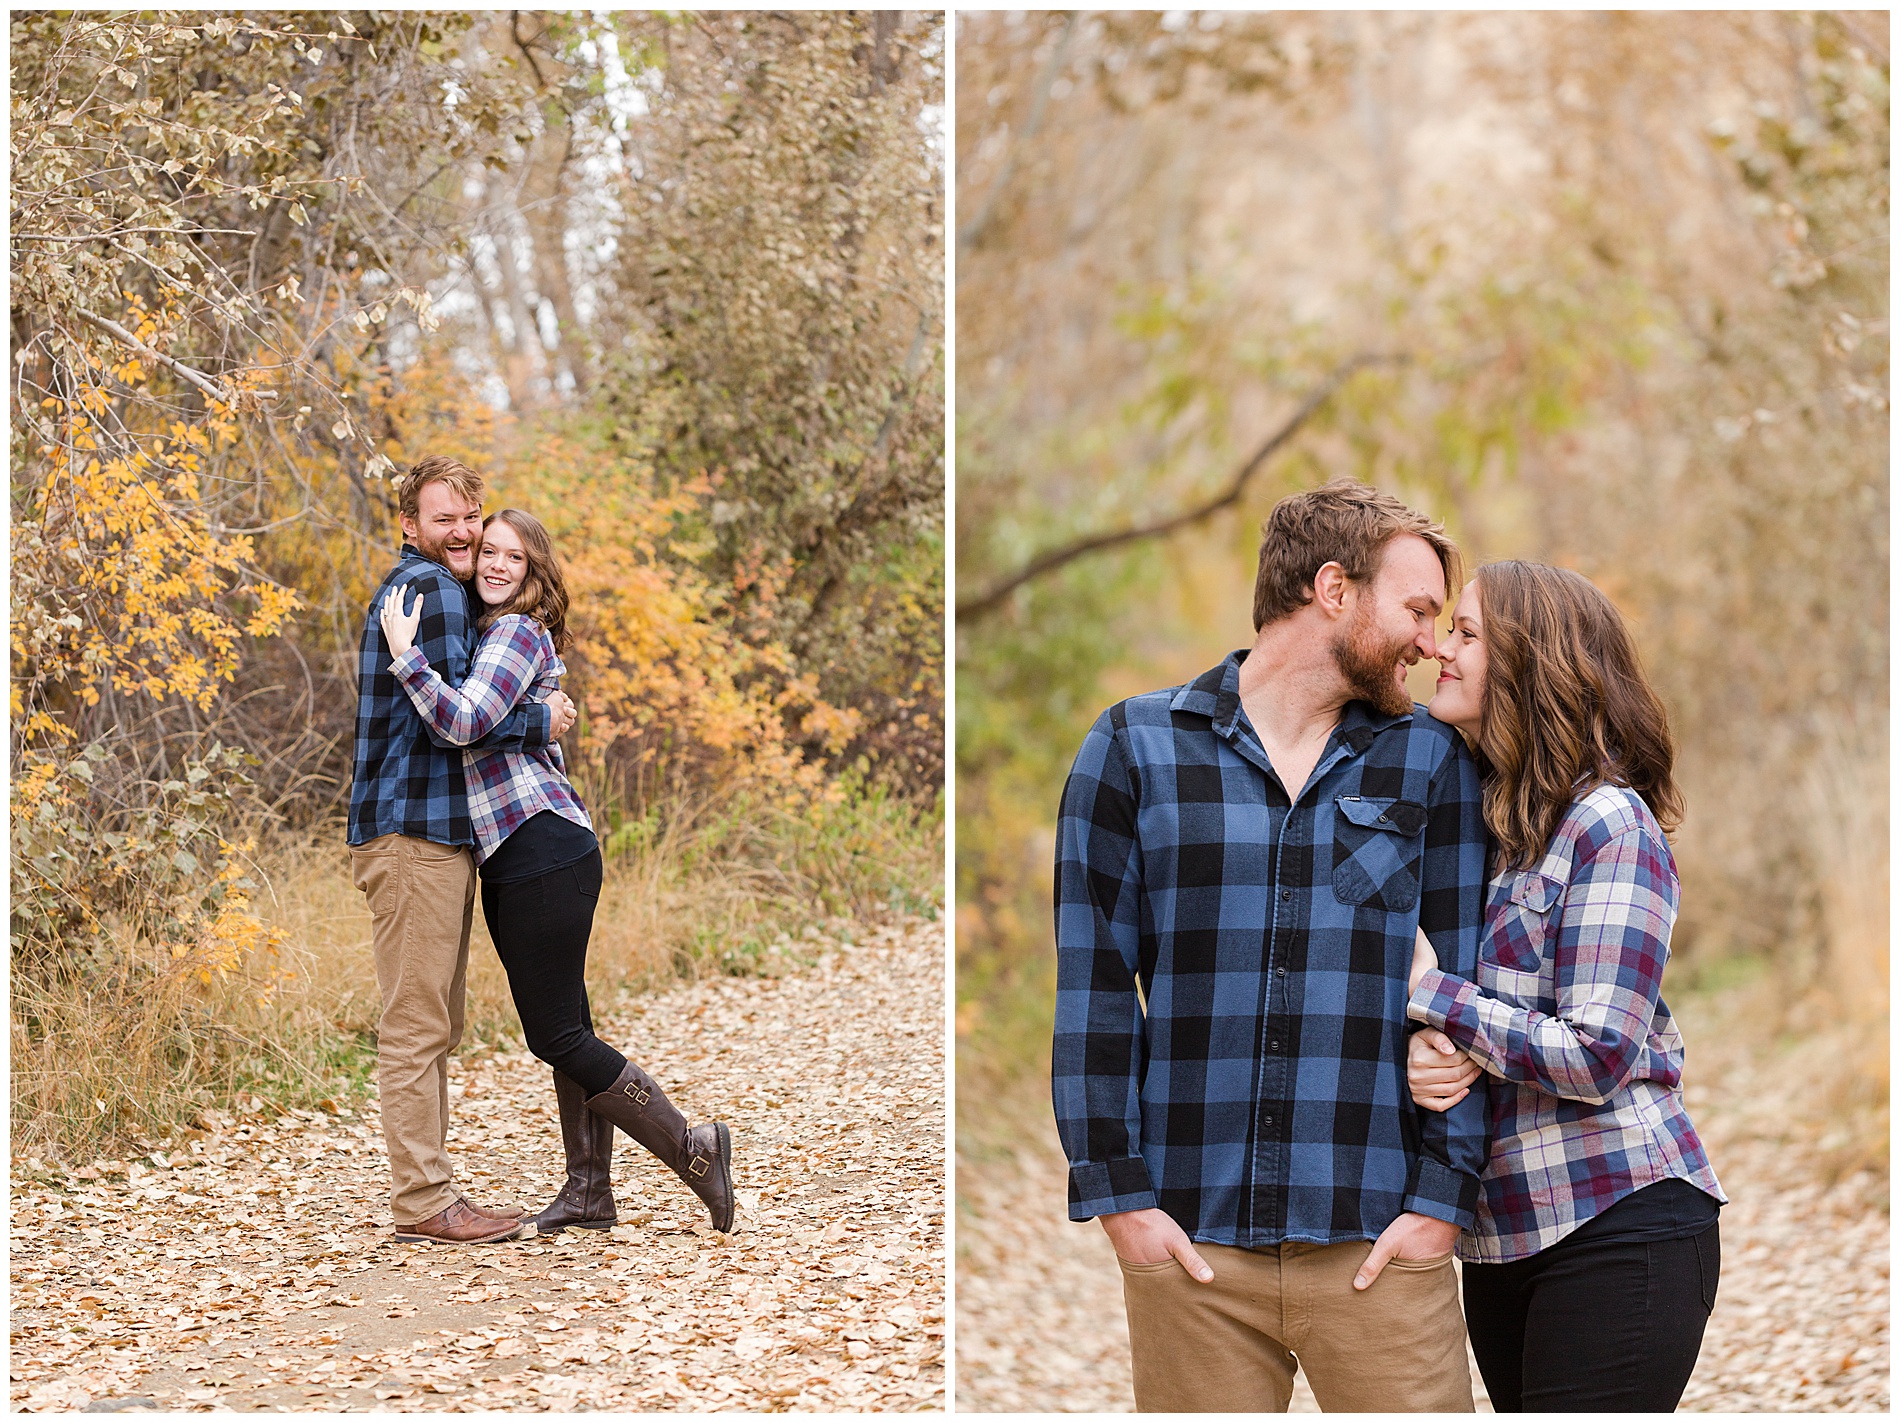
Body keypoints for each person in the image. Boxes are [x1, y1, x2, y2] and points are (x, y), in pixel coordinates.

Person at [1052, 479, 1491, 1412]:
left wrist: (1440, 1205)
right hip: (1194, 1252)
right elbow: (1092, 986)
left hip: (1379, 1243)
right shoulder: (1134, 749)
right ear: (1334, 590)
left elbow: (1466, 982)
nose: (1429, 639)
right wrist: (1121, 1201)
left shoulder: (1432, 764)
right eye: (1417, 608)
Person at [1403, 560, 1726, 1412]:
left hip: (1617, 1218)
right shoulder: (1491, 824)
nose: (1441, 648)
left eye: (1467, 633)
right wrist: (1427, 1053)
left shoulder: (1609, 825)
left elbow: (1598, 1053)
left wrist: (1435, 998)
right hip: (1503, 1235)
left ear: (1528, 661)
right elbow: (1479, 1020)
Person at [379, 507, 736, 1237]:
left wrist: (406, 657)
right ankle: (589, 1190)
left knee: (556, 1034)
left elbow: (465, 722)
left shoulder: (513, 632)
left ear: (536, 573)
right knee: (569, 1020)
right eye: (491, 552)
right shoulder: (489, 634)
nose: (498, 565)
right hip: (519, 855)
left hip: (542, 847)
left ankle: (693, 1150)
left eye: (516, 556)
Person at [348, 456, 578, 1246]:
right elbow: (460, 720)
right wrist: (539, 723)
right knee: (417, 1022)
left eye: (469, 516)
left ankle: (432, 1190)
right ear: (409, 525)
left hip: (424, 832)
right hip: (413, 833)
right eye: (443, 517)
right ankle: (423, 1201)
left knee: (432, 1019)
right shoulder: (436, 592)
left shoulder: (425, 589)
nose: (462, 531)